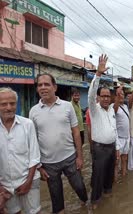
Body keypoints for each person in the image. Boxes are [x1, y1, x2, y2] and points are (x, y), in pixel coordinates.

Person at [29, 73, 88, 214]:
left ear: (54, 87)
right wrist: (39, 166)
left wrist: (79, 157)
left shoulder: (68, 107)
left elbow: (76, 133)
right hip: (48, 164)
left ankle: (85, 206)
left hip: (70, 158)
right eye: (40, 85)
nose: (43, 87)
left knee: (80, 188)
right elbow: (33, 141)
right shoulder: (33, 112)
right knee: (56, 200)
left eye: (46, 84)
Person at [0, 87, 41, 214]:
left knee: (34, 212)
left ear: (16, 104)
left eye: (12, 103)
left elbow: (34, 156)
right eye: (3, 104)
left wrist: (28, 182)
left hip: (28, 180)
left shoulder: (27, 124)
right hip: (5, 185)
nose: (8, 107)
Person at [88, 54, 120, 209]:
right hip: (99, 149)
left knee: (109, 176)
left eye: (108, 96)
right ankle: (95, 202)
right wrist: (98, 74)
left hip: (111, 147)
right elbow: (91, 93)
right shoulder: (94, 110)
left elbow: (115, 130)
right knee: (98, 177)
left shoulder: (112, 111)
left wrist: (117, 148)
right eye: (103, 96)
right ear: (99, 98)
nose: (106, 99)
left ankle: (108, 198)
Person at [111, 86, 130, 177]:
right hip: (118, 139)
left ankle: (124, 176)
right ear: (115, 96)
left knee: (124, 159)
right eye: (119, 94)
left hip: (126, 138)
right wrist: (117, 99)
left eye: (122, 94)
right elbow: (114, 110)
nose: (121, 96)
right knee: (116, 161)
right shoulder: (113, 106)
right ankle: (115, 181)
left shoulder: (125, 106)